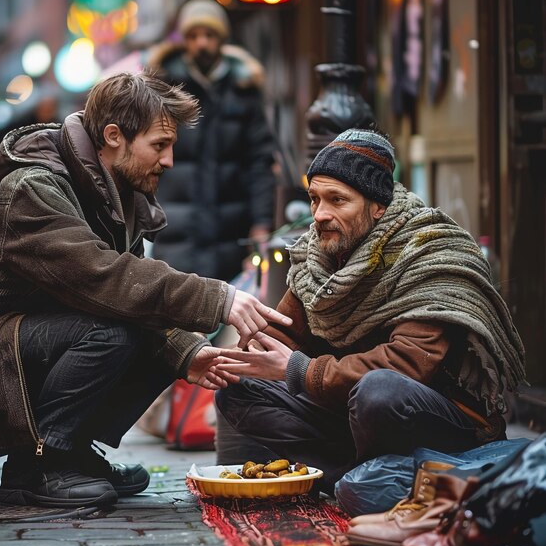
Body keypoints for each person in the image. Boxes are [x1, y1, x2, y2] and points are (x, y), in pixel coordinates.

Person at [0, 72, 291, 509]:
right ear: (113, 137)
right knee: (112, 331)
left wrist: (187, 352)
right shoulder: (33, 189)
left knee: (148, 323)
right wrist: (220, 299)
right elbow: (103, 278)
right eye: (159, 145)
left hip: (36, 338)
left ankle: (74, 453)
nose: (169, 161)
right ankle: (36, 468)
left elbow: (131, 290)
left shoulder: (115, 191)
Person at [213, 128, 526, 493]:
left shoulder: (428, 253)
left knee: (378, 391)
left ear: (379, 205)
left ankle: (373, 478)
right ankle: (353, 476)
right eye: (315, 199)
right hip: (353, 410)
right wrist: (230, 358)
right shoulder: (321, 255)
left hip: (439, 418)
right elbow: (283, 334)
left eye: (337, 200)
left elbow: (406, 364)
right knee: (238, 389)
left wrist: (300, 369)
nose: (320, 215)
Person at [146, 0, 279, 281]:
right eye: (193, 36)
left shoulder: (244, 90)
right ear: (184, 40)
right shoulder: (164, 89)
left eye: (209, 35)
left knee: (229, 310)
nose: (201, 43)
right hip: (176, 230)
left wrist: (261, 224)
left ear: (221, 38)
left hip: (231, 232)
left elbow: (260, 163)